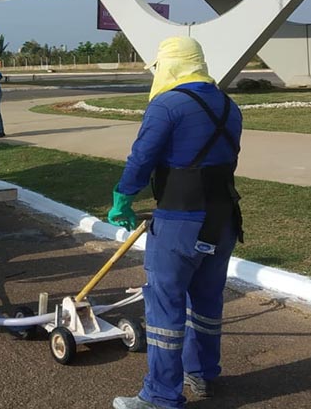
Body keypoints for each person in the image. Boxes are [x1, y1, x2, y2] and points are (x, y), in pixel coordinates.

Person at [108, 36, 243, 409]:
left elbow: (142, 158)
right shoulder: (230, 106)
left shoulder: (167, 105)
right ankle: (201, 374)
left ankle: (160, 396)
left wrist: (123, 196)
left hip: (180, 221)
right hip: (224, 218)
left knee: (165, 308)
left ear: (168, 65)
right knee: (206, 301)